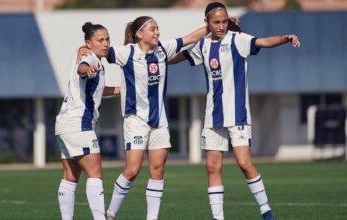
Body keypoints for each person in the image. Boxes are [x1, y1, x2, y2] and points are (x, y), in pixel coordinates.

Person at [170, 2, 300, 220]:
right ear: (207, 23)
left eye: (224, 21)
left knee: (244, 163)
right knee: (212, 167)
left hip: (237, 114)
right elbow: (177, 57)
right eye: (216, 22)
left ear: (229, 21)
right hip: (213, 116)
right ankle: (218, 217)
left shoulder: (237, 40)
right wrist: (156, 57)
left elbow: (263, 41)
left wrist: (284, 39)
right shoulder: (202, 45)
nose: (221, 26)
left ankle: (266, 210)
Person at [103, 16, 208, 220]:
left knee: (158, 170)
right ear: (139, 34)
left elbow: (189, 38)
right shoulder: (127, 53)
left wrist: (211, 26)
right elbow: (102, 51)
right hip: (135, 120)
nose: (157, 32)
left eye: (158, 28)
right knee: (132, 170)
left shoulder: (162, 49)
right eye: (152, 29)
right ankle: (110, 213)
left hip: (159, 121)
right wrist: (84, 51)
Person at [55, 22, 120, 220]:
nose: (106, 43)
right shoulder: (88, 57)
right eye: (100, 40)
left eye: (107, 39)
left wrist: (122, 90)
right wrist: (87, 69)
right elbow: (82, 68)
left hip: (64, 124)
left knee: (70, 176)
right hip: (79, 123)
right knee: (95, 172)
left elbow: (99, 89)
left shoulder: (96, 61)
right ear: (88, 43)